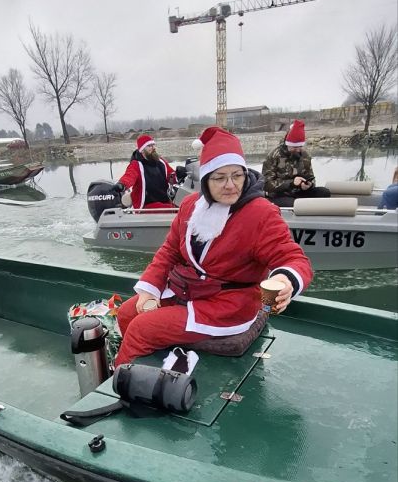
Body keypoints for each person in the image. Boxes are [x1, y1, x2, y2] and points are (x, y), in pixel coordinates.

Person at [114, 126, 313, 366]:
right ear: (206, 179)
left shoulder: (261, 213)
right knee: (126, 313)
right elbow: (170, 250)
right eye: (220, 177)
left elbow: (294, 259)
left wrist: (285, 280)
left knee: (141, 329)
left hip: (226, 306)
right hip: (186, 290)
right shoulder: (190, 205)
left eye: (237, 175)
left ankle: (123, 384)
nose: (230, 185)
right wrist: (151, 288)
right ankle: (141, 371)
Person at [262, 120, 331, 206]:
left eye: (300, 147)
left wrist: (309, 185)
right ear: (288, 144)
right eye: (294, 147)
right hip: (279, 195)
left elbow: (311, 177)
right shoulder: (273, 156)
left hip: (299, 192)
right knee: (294, 204)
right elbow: (266, 184)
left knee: (324, 192)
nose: (298, 150)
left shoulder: (305, 155)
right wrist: (291, 183)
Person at [112, 134, 176, 210]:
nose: (153, 148)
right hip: (146, 205)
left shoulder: (161, 162)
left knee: (183, 205)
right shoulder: (136, 165)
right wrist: (122, 184)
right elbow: (129, 176)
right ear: (142, 150)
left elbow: (171, 175)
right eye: (149, 146)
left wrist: (179, 174)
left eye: (153, 145)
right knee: (175, 211)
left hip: (164, 201)